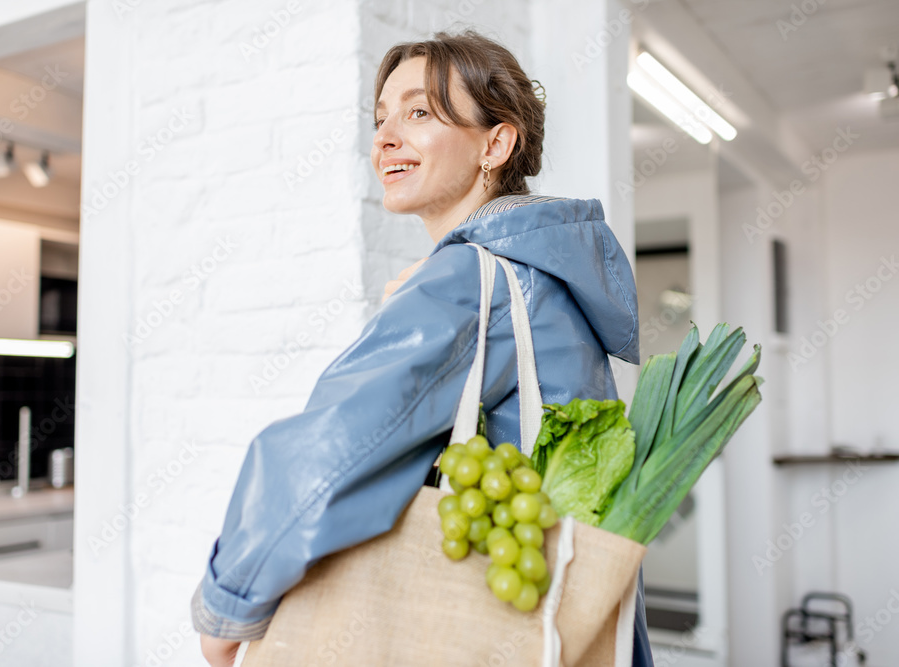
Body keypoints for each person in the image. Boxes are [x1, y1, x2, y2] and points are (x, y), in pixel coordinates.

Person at [193, 30, 654, 666]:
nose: (384, 137)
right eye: (381, 118)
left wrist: (226, 610)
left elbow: (322, 453)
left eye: (418, 112)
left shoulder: (472, 281)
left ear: (496, 143)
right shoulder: (539, 271)